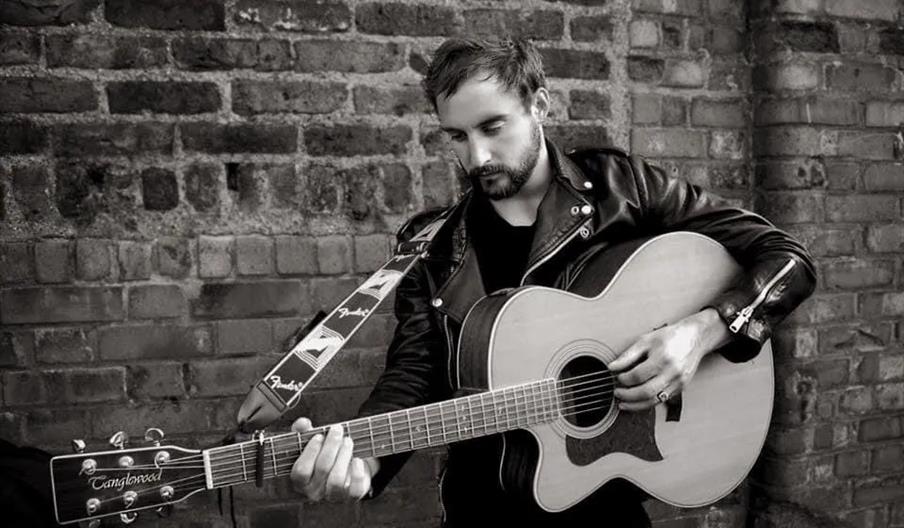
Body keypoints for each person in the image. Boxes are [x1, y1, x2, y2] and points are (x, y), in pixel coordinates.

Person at [287, 37, 817, 526]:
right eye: (457, 136)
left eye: (493, 127)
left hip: (609, 504)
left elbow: (787, 259)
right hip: (483, 508)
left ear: (540, 105)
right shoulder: (433, 247)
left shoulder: (622, 189)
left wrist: (701, 333)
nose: (477, 158)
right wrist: (366, 460)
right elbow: (413, 373)